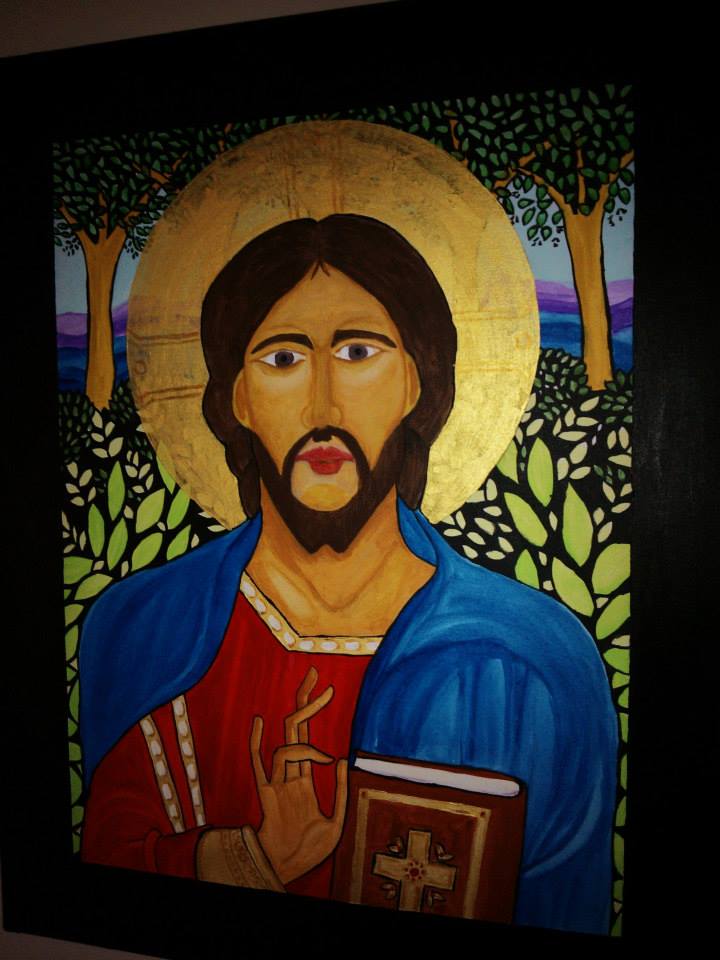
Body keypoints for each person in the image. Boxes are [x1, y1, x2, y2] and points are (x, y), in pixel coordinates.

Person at [79, 214, 618, 935]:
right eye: (282, 358)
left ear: (416, 383)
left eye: (359, 351)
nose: (323, 405)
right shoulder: (142, 628)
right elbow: (101, 878)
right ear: (237, 397)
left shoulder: (531, 663)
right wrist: (250, 859)